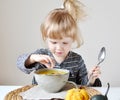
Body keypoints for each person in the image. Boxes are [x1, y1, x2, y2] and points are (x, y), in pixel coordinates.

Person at [17, 0, 102, 86]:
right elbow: (20, 64)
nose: (59, 48)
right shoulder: (42, 56)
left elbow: (84, 86)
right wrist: (32, 58)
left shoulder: (77, 60)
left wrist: (91, 79)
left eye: (65, 43)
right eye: (54, 42)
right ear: (46, 38)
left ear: (73, 40)